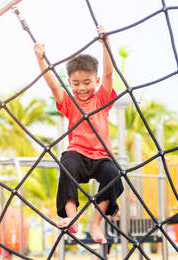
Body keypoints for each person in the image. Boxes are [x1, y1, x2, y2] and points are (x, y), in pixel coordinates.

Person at [33, 25, 123, 244]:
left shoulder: (101, 99)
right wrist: (41, 60)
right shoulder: (70, 103)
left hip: (101, 157)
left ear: (97, 81)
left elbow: (110, 73)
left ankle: (94, 224)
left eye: (87, 83)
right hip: (78, 154)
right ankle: (72, 218)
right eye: (75, 84)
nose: (81, 88)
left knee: (114, 174)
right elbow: (53, 85)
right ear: (70, 83)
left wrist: (106, 44)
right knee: (67, 164)